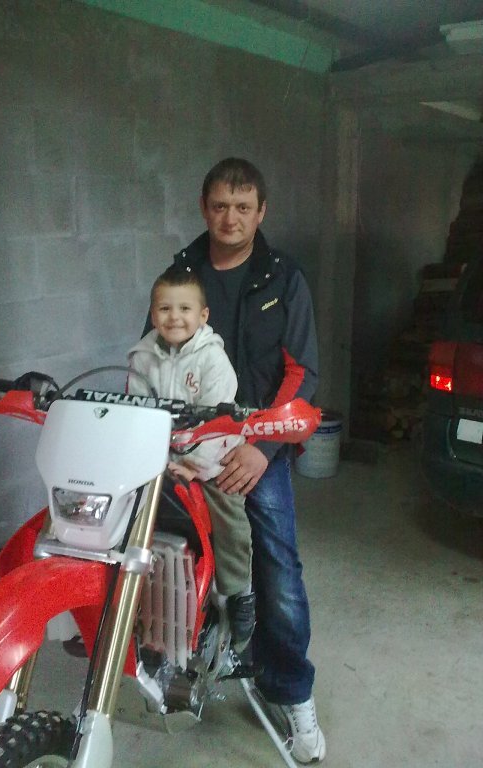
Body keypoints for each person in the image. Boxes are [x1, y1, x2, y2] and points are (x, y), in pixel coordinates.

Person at [166, 158, 325, 764]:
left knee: (278, 570)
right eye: (219, 206)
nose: (229, 218)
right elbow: (156, 351)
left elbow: (303, 372)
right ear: (203, 208)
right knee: (155, 550)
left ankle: (292, 691)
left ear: (261, 213)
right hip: (189, 445)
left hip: (258, 445)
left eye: (242, 207)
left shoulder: (284, 278)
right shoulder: (182, 272)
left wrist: (264, 448)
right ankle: (178, 659)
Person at [128, 266, 256, 653]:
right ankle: (125, 590)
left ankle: (238, 591)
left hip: (211, 458)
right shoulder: (142, 357)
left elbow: (217, 423)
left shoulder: (212, 359)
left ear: (203, 315)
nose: (174, 317)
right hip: (162, 458)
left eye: (184, 309)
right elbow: (136, 411)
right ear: (153, 314)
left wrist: (194, 465)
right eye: (165, 308)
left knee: (229, 514)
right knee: (123, 507)